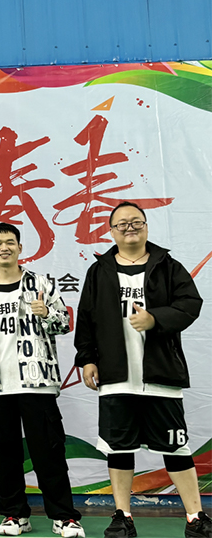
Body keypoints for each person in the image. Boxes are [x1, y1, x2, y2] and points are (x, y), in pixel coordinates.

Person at [75, 201, 210, 538]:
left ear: (146, 227)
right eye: (121, 223)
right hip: (115, 378)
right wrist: (87, 358)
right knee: (119, 449)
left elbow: (190, 304)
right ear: (111, 231)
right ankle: (123, 516)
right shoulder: (99, 271)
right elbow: (86, 318)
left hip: (161, 376)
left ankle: (195, 517)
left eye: (136, 222)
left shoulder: (167, 266)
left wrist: (155, 319)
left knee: (176, 449)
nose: (130, 228)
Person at [0, 223, 84, 538]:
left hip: (37, 384)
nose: (4, 247)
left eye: (10, 242)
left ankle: (64, 517)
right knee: (4, 455)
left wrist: (46, 313)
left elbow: (64, 324)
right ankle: (15, 515)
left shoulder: (41, 284)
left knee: (49, 453)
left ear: (20, 248)